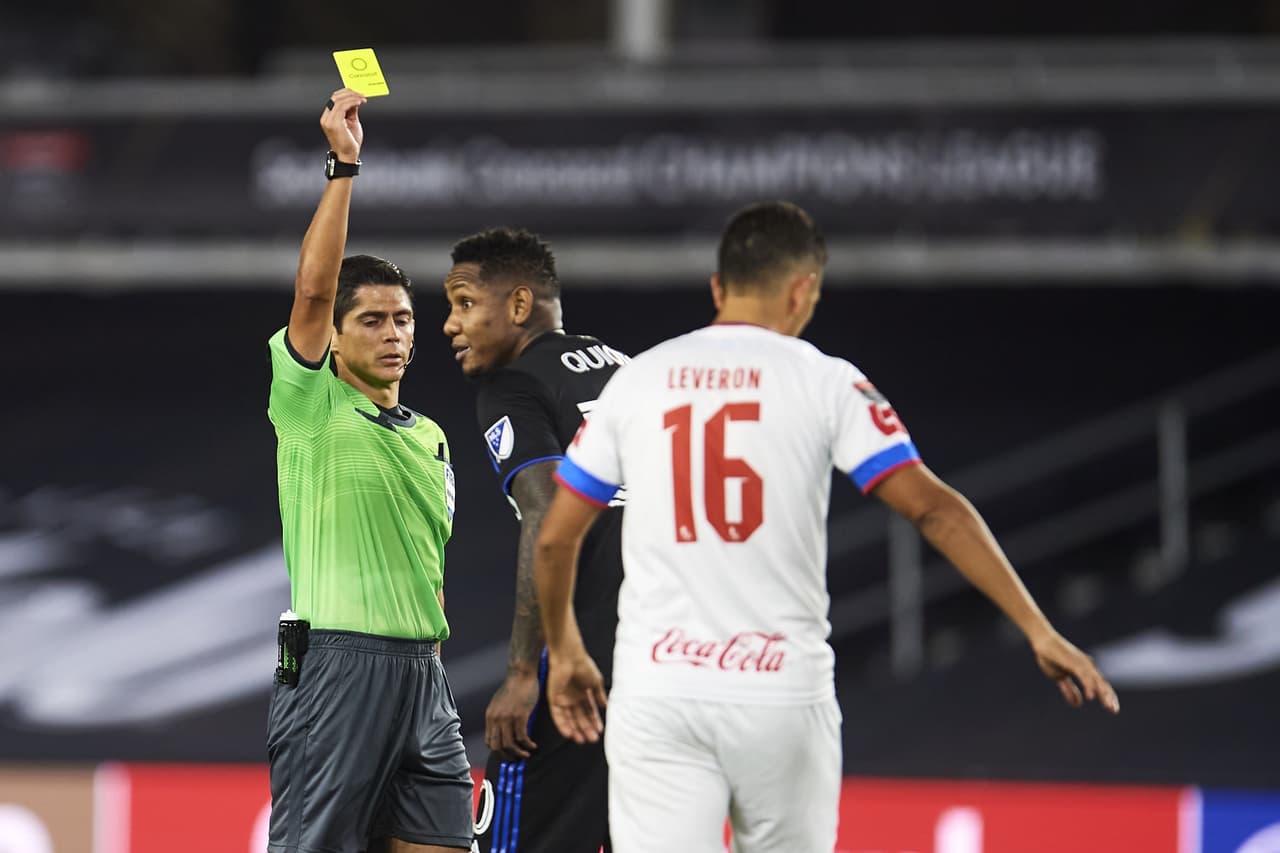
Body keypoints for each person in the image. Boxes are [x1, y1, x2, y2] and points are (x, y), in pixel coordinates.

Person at [532, 201, 1121, 853]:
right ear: (803, 288)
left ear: (718, 287)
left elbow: (557, 536)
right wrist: (1038, 628)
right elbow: (933, 509)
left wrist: (565, 652)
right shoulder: (827, 381)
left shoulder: (637, 381)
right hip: (779, 692)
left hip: (659, 688)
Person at [265, 88, 473, 853]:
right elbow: (313, 289)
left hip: (425, 675)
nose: (393, 334)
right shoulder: (309, 404)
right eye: (373, 320)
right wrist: (343, 166)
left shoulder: (432, 437)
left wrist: (433, 665)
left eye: (404, 318)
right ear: (337, 333)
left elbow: (428, 566)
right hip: (338, 671)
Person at [442, 227, 625, 853]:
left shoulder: (513, 384)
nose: (449, 325)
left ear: (519, 307)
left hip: (578, 662)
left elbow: (547, 512)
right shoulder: (625, 367)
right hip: (669, 652)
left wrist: (524, 672)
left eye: (464, 303)